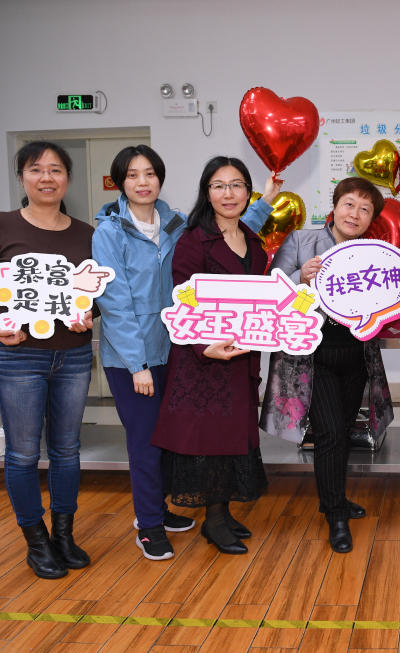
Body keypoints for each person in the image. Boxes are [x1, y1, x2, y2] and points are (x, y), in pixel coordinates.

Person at [92, 146, 280, 560]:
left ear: (161, 178)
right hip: (137, 354)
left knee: (168, 440)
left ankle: (159, 511)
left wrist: (264, 201)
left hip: (175, 349)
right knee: (146, 442)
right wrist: (137, 364)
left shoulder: (175, 223)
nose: (143, 182)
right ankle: (149, 526)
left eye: (150, 173)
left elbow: (227, 235)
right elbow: (115, 303)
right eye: (132, 175)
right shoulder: (109, 232)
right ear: (120, 182)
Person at [0, 141, 95, 579]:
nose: (46, 177)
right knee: (23, 454)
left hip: (73, 357)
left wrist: (90, 315)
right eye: (36, 169)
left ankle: (63, 535)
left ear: (68, 178)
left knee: (67, 450)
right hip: (18, 358)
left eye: (56, 169)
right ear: (21, 178)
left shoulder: (87, 234)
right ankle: (36, 542)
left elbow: (98, 293)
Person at [265, 176, 394, 553]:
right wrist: (300, 277)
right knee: (331, 434)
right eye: (349, 204)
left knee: (342, 432)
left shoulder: (373, 253)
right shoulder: (301, 241)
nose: (355, 213)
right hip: (312, 358)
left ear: (371, 220)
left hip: (356, 356)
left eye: (365, 209)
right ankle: (336, 516)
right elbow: (271, 289)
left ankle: (334, 497)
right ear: (334, 207)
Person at [149, 156, 270, 555]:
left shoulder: (252, 240)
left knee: (234, 437)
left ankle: (224, 513)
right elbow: (182, 302)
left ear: (248, 192)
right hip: (204, 361)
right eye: (219, 185)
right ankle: (214, 521)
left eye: (236, 185)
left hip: (241, 356)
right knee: (212, 441)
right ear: (207, 193)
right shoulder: (192, 240)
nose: (228, 193)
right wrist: (204, 347)